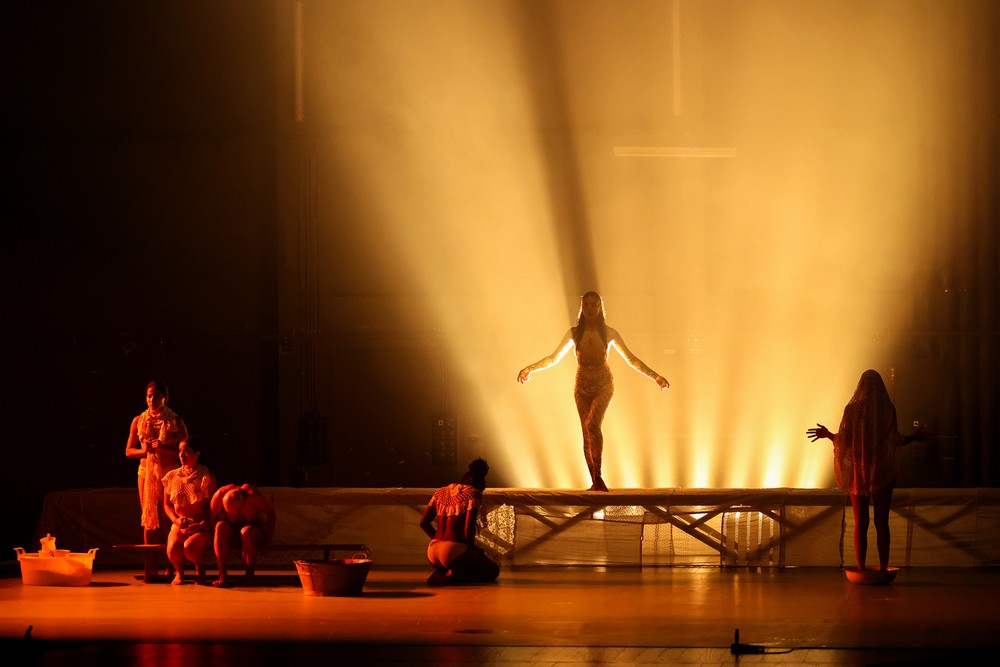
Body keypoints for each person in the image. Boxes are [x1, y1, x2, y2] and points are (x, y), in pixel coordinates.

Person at [517, 291, 669, 491]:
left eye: (593, 305)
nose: (589, 308)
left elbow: (631, 359)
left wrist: (655, 376)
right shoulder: (573, 333)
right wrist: (530, 368)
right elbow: (553, 358)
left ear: (599, 308)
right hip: (582, 385)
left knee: (593, 425)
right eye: (586, 305)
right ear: (582, 308)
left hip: (603, 383)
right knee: (585, 433)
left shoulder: (609, 333)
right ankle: (594, 481)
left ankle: (599, 476)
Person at [807, 369, 924, 573]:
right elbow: (894, 440)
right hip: (881, 471)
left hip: (858, 472)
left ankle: (861, 569)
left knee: (861, 522)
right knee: (881, 521)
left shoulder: (852, 410)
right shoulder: (887, 410)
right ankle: (883, 567)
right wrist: (914, 438)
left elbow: (845, 441)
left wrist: (827, 435)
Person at [124, 381, 189, 544]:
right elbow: (129, 451)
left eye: (157, 397)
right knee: (148, 517)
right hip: (146, 473)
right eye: (149, 396)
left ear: (165, 398)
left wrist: (163, 448)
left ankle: (170, 565)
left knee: (167, 518)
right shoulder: (138, 420)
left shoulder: (174, 420)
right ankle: (149, 567)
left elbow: (186, 453)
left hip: (169, 472)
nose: (152, 400)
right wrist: (144, 451)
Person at [419, 458, 500, 586]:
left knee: (467, 562)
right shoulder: (474, 493)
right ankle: (453, 576)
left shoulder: (441, 491)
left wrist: (437, 539)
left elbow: (423, 523)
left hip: (432, 550)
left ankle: (444, 572)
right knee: (493, 571)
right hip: (454, 551)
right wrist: (472, 549)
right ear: (478, 485)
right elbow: (468, 528)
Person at [161, 437, 216, 585]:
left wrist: (201, 524)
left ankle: (200, 568)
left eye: (186, 451)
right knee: (172, 547)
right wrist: (176, 520)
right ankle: (179, 572)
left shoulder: (206, 475)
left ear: (197, 454)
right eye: (180, 451)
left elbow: (212, 506)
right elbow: (167, 505)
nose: (182, 455)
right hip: (180, 523)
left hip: (201, 525)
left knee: (189, 547)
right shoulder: (171, 476)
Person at [211, 483, 276, 587]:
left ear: (242, 501)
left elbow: (271, 514)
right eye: (230, 514)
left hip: (253, 532)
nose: (235, 516)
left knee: (246, 531)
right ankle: (222, 574)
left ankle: (250, 571)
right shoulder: (220, 494)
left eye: (237, 513)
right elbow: (210, 516)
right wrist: (215, 537)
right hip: (233, 532)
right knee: (219, 526)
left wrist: (268, 541)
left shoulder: (252, 495)